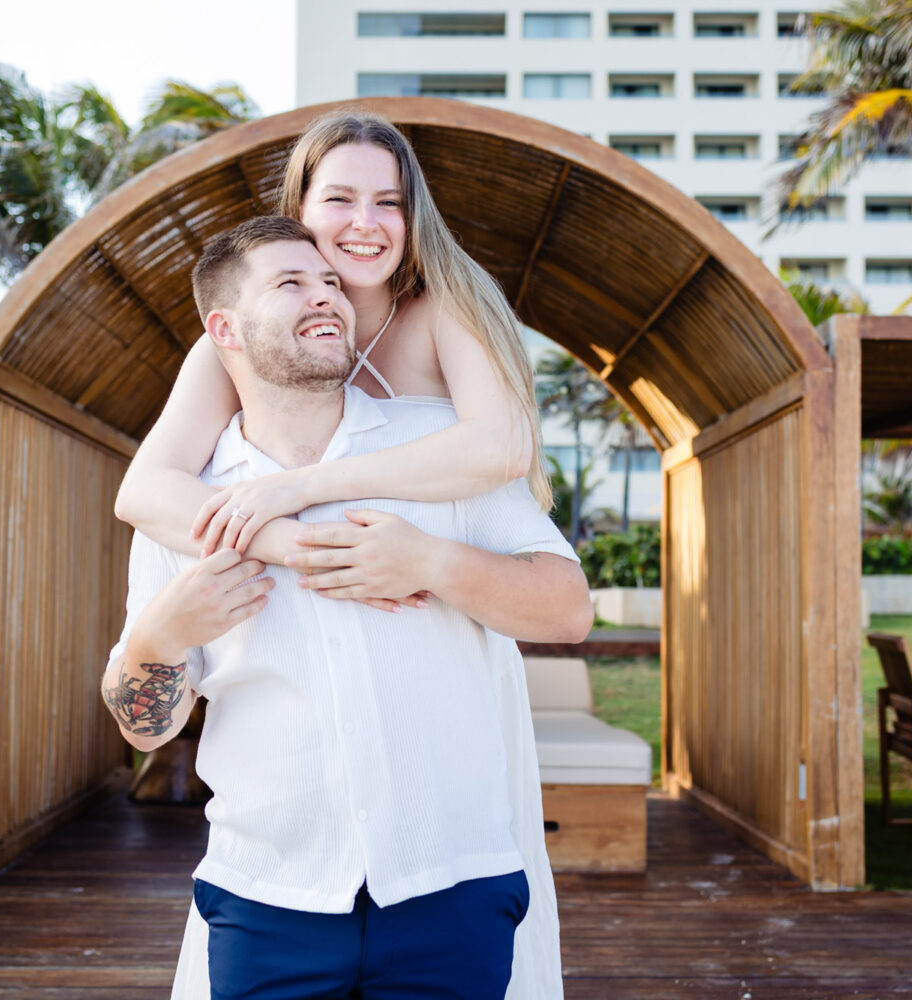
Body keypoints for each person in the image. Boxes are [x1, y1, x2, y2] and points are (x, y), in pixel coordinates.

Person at [103, 216, 592, 999]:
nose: (327, 294)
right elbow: (145, 726)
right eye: (291, 283)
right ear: (222, 328)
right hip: (267, 898)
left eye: (331, 281)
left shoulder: (439, 450)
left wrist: (430, 561)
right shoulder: (188, 503)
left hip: (452, 885)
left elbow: (568, 610)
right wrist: (162, 634)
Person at [113, 111, 548, 596]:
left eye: (389, 203)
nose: (366, 223)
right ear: (299, 209)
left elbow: (504, 447)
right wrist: (303, 547)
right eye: (340, 198)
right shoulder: (244, 337)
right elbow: (144, 490)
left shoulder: (444, 311)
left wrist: (300, 487)